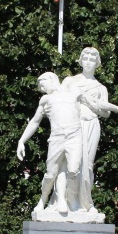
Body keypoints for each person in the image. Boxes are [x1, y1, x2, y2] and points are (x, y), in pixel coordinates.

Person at [60, 47, 118, 214]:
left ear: (97, 63)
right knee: (72, 164)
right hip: (73, 125)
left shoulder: (100, 88)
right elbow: (60, 103)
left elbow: (104, 112)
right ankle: (70, 200)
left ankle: (86, 203)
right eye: (86, 58)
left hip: (91, 125)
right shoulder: (70, 81)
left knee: (87, 165)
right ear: (81, 60)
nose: (89, 61)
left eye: (92, 59)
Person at [16, 72, 86, 214]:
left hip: (74, 136)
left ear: (52, 80)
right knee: (51, 173)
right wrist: (21, 141)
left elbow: (95, 103)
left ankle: (71, 200)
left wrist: (117, 109)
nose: (42, 88)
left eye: (43, 84)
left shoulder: (74, 93)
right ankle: (43, 199)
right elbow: (35, 122)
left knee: (73, 170)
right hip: (56, 138)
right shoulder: (46, 99)